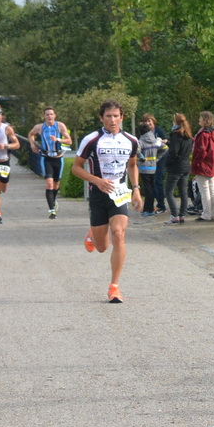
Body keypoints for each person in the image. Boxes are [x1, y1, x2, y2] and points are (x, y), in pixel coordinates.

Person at [71, 101, 142, 303]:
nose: (112, 120)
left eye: (116, 116)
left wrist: (136, 190)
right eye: (108, 116)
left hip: (118, 194)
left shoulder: (131, 140)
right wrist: (97, 181)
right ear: (101, 117)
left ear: (122, 118)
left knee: (119, 235)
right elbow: (76, 168)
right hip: (98, 194)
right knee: (102, 247)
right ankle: (93, 232)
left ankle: (114, 287)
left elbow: (132, 165)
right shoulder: (91, 140)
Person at [27, 107, 70, 219]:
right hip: (46, 157)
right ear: (44, 116)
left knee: (56, 184)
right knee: (49, 184)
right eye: (47, 114)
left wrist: (58, 140)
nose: (49, 116)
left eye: (51, 114)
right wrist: (32, 145)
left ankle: (53, 200)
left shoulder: (60, 126)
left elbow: (69, 140)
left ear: (54, 115)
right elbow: (31, 134)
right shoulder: (40, 127)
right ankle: (51, 210)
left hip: (58, 157)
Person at [162, 113, 194, 224]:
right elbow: (182, 148)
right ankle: (182, 215)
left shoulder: (176, 135)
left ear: (175, 122)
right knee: (183, 191)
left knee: (168, 191)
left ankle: (174, 215)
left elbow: (174, 152)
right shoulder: (188, 136)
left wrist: (167, 162)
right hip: (185, 166)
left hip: (176, 167)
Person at [191, 111, 214, 222]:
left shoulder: (203, 134)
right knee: (212, 189)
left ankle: (206, 214)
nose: (199, 120)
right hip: (212, 164)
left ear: (204, 120)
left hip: (203, 165)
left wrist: (196, 163)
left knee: (204, 191)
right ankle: (213, 213)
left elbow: (201, 151)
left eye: (200, 118)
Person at [137, 113, 165, 217]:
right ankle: (151, 209)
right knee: (152, 188)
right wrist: (157, 158)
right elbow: (165, 148)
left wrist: (141, 157)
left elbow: (136, 150)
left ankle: (146, 210)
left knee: (147, 189)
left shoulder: (141, 141)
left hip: (144, 168)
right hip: (154, 166)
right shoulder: (154, 140)